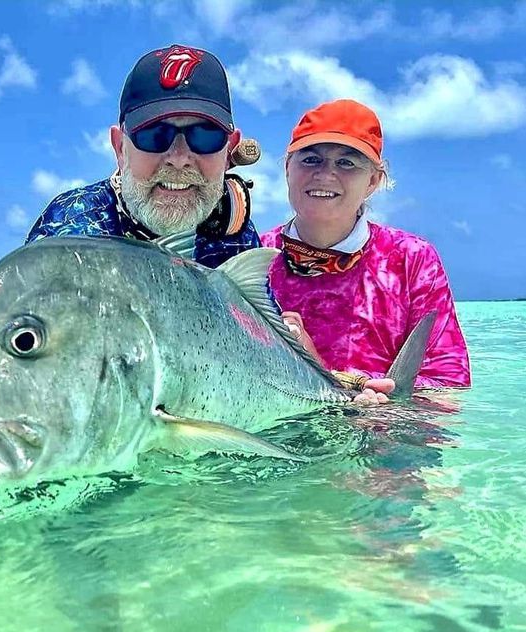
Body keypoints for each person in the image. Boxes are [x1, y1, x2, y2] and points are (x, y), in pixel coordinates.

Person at [261, 99, 471, 390]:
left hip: (380, 431)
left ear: (373, 180)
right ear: (287, 169)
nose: (324, 174)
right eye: (311, 159)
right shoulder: (253, 256)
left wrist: (360, 391)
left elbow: (449, 384)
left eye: (346, 163)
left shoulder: (412, 260)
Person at [25, 45, 261, 267]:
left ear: (229, 150)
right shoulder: (69, 234)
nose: (179, 159)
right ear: (120, 148)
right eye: (154, 135)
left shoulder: (239, 239)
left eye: (204, 136)